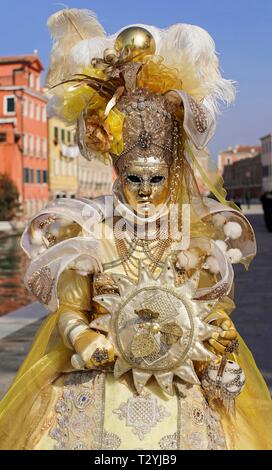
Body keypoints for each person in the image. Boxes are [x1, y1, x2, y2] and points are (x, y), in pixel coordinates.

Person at [0, 8, 271, 450]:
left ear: (171, 176)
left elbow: (211, 313)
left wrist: (222, 351)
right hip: (96, 379)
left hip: (180, 385)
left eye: (156, 179)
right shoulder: (90, 233)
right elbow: (70, 310)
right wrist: (83, 337)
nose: (145, 191)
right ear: (118, 174)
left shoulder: (192, 235)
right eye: (135, 179)